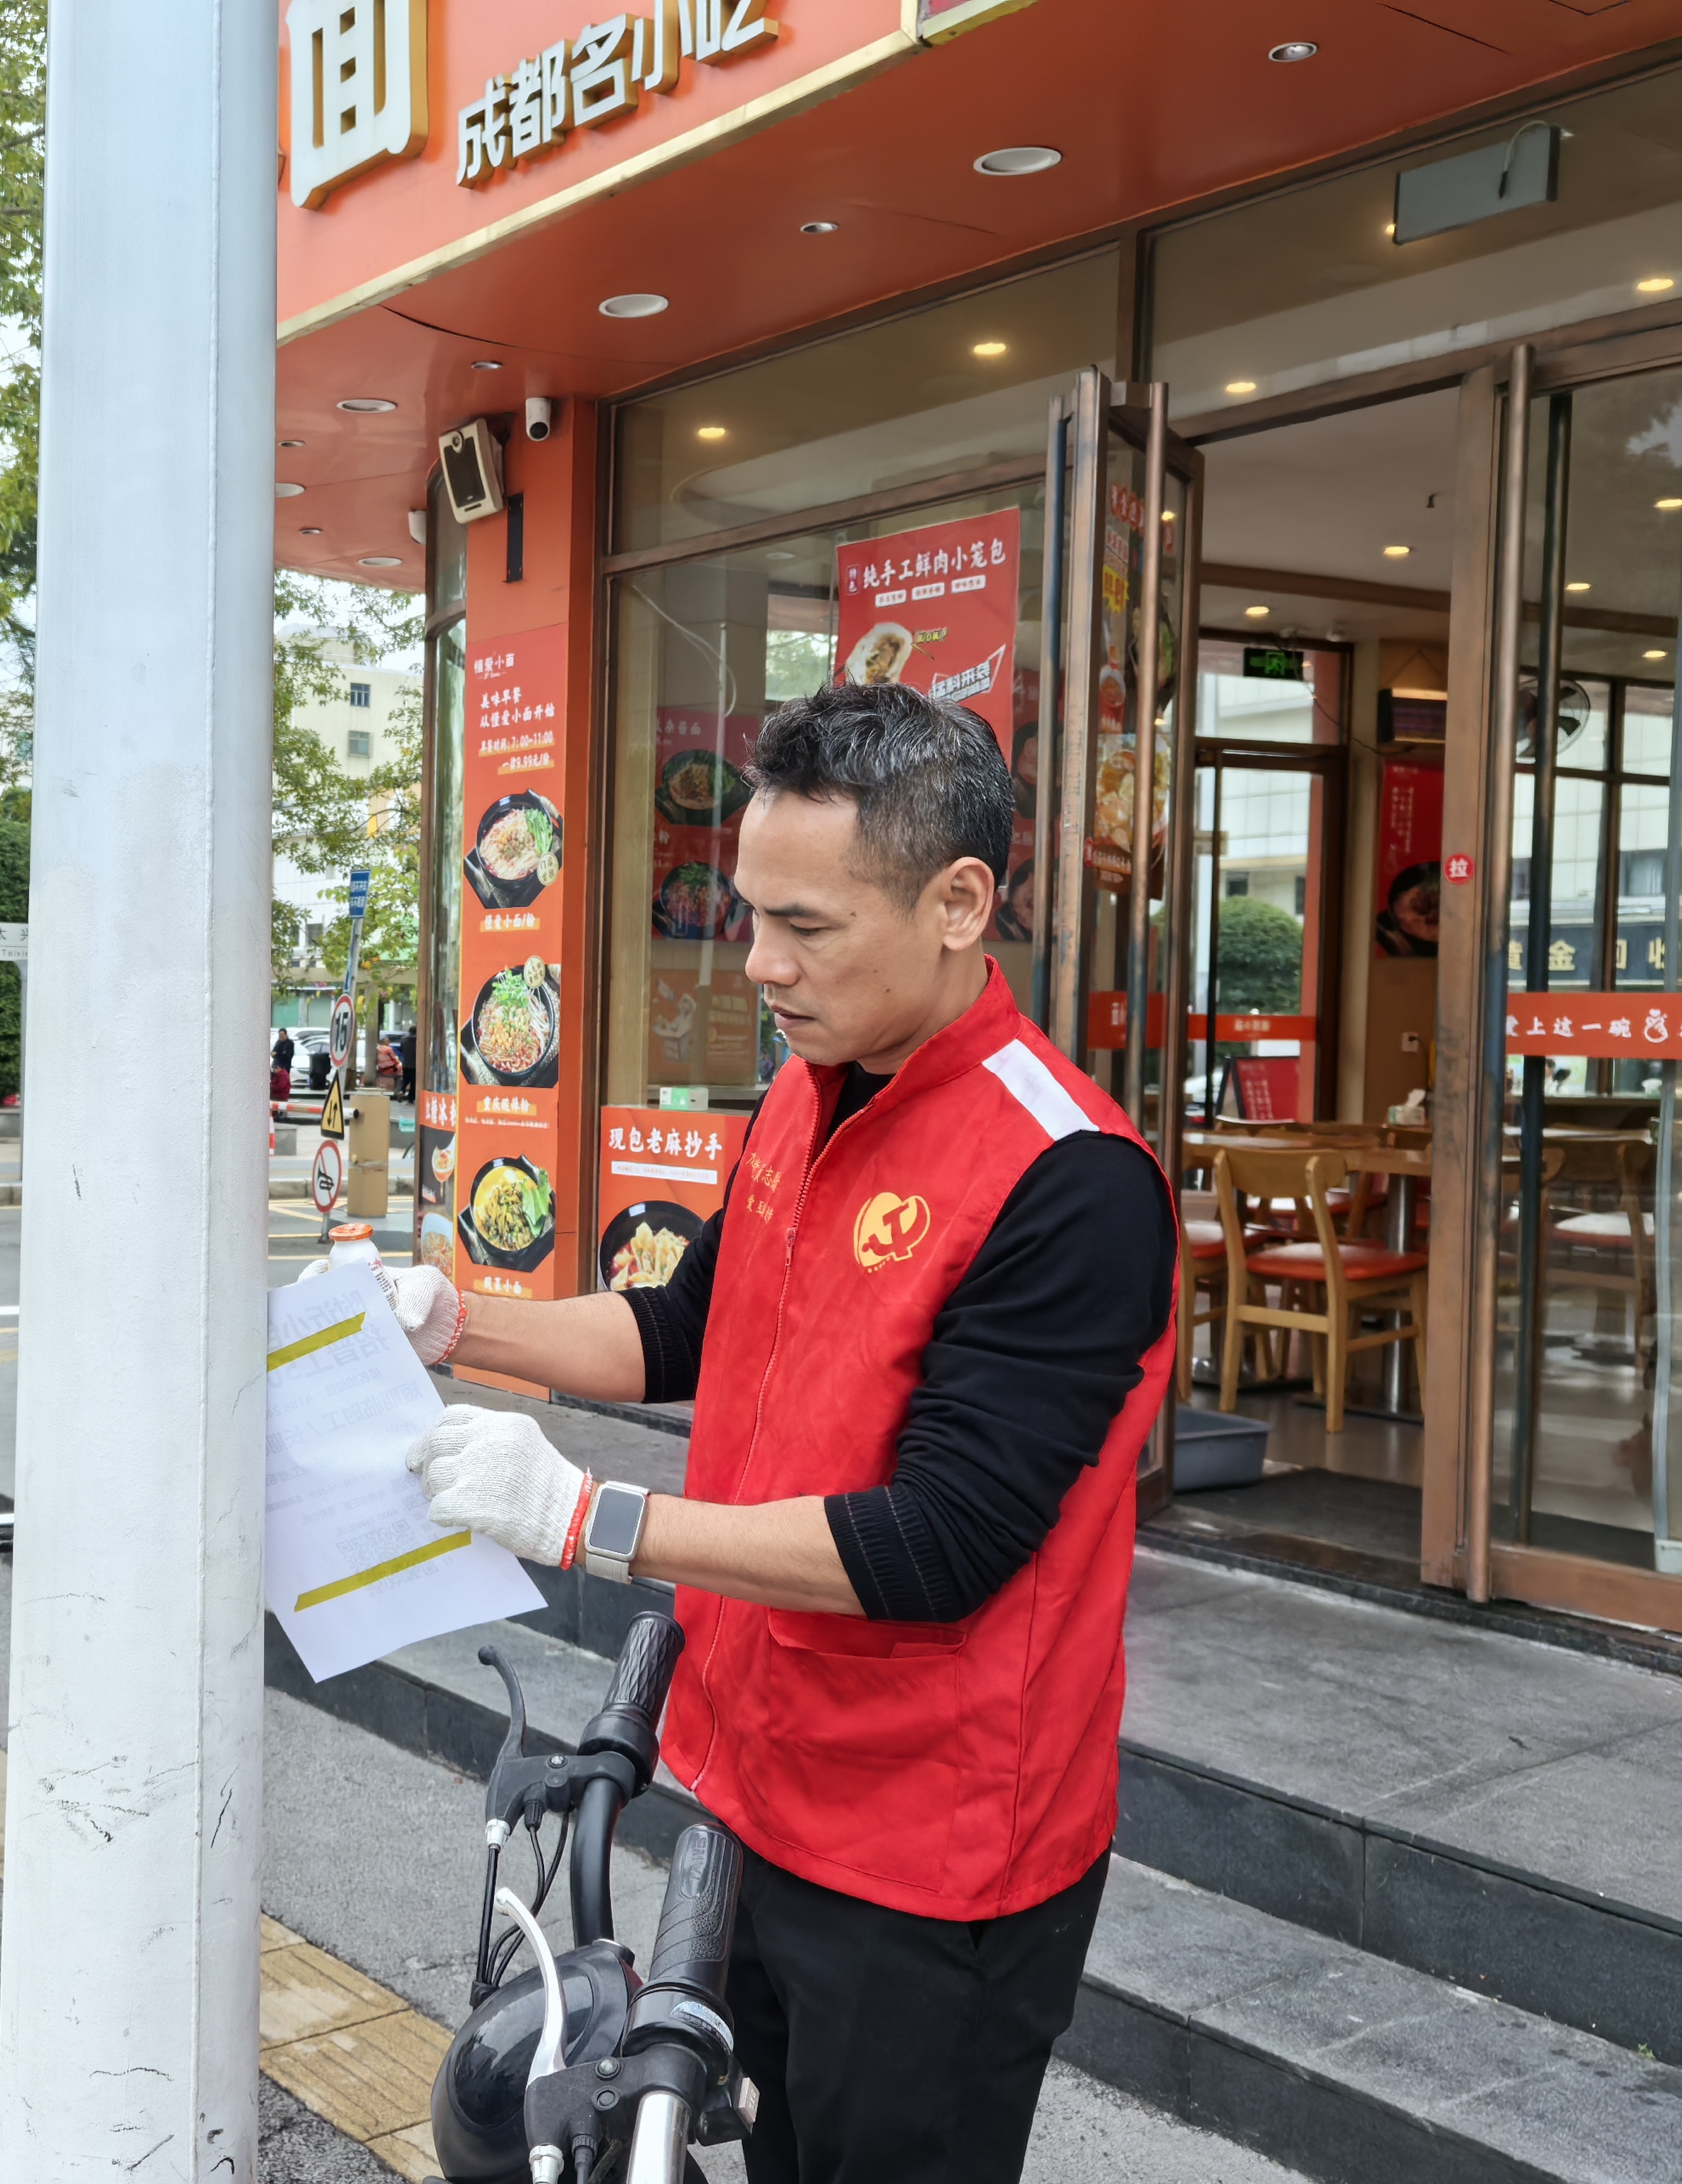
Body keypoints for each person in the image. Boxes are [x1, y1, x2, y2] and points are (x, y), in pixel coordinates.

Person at [371, 682, 1174, 2184]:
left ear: (956, 902)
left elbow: (940, 1542)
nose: (759, 963)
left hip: (931, 1857)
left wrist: (587, 1521)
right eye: (747, 914)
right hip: (750, 1780)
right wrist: (453, 1326)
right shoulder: (804, 1096)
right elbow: (681, 1329)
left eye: (804, 925)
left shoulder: (1068, 1177)